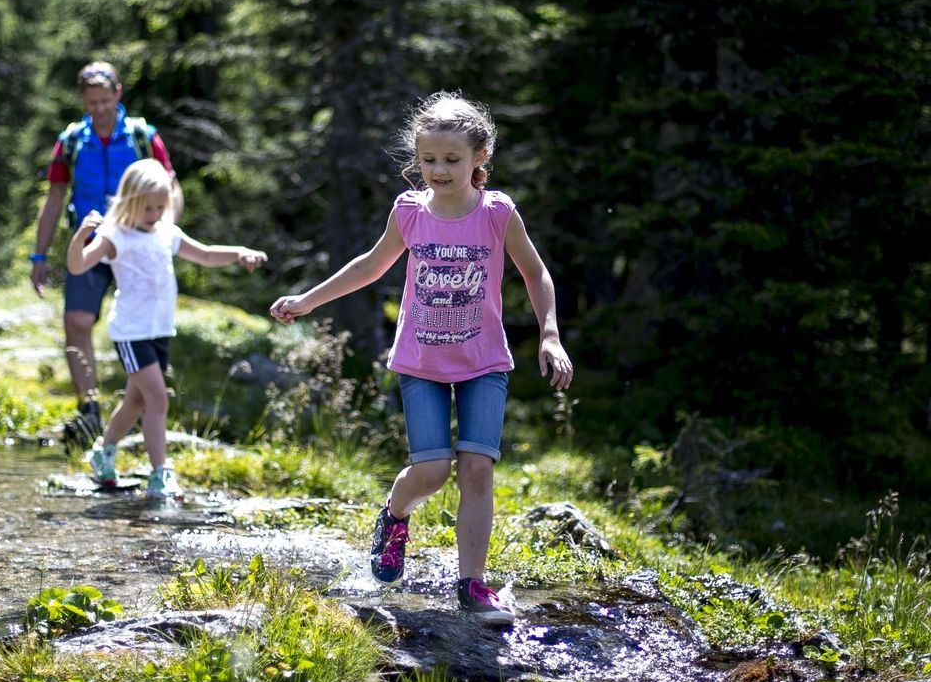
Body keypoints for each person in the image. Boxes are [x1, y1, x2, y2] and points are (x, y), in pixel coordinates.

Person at [269, 91, 574, 625]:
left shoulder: (497, 213)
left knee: (477, 468)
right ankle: (395, 515)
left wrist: (549, 333)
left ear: (479, 158)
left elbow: (536, 272)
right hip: (419, 362)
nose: (438, 170)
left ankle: (472, 585)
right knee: (432, 469)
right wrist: (307, 299)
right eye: (429, 159)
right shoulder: (409, 212)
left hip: (484, 362)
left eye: (452, 160)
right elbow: (369, 266)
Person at [67, 159, 267, 499]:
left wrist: (239, 253)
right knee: (158, 398)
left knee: (135, 401)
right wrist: (81, 236)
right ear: (130, 201)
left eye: (161, 207)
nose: (156, 213)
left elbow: (204, 254)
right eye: (148, 208)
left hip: (160, 330)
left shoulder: (165, 232)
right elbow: (77, 265)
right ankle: (160, 474)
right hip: (131, 333)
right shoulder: (115, 237)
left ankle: (104, 452)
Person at [31, 61, 184, 446]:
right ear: (82, 102)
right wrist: (39, 256)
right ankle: (89, 409)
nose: (98, 109)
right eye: (90, 103)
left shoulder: (142, 136)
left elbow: (171, 187)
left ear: (118, 93)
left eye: (104, 100)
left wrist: (165, 228)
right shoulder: (70, 142)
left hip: (136, 243)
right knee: (77, 321)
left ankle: (140, 402)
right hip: (94, 243)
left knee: (143, 324)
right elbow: (53, 201)